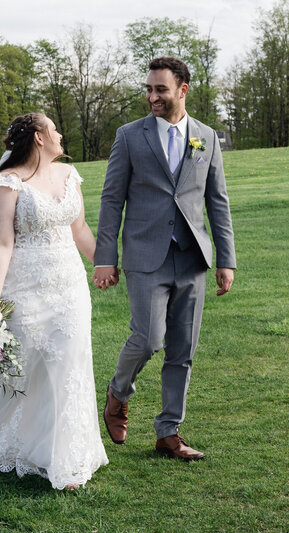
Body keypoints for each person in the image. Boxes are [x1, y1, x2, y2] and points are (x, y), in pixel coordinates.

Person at [0, 112, 108, 490]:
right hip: (26, 285)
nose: (61, 134)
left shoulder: (69, 175)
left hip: (70, 285)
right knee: (24, 367)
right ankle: (3, 440)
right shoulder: (5, 184)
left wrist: (107, 264)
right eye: (55, 129)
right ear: (39, 138)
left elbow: (78, 228)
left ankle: (63, 454)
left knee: (69, 364)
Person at [93, 57, 236, 461]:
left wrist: (226, 259)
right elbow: (111, 200)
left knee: (182, 349)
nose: (152, 97)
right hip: (144, 255)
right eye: (149, 89)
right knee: (148, 338)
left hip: (192, 258)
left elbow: (217, 201)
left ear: (183, 89)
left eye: (160, 89)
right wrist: (106, 257)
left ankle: (169, 433)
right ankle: (118, 393)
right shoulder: (129, 136)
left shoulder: (205, 137)